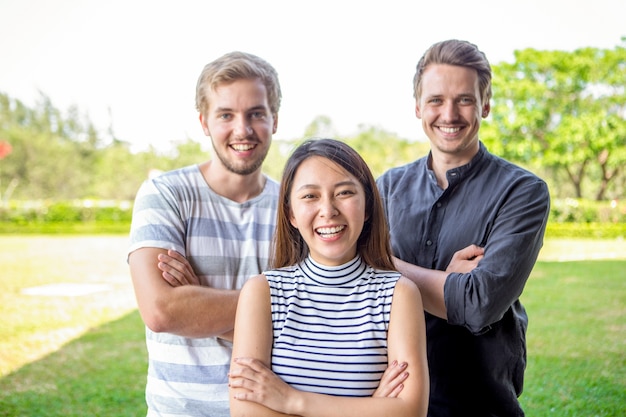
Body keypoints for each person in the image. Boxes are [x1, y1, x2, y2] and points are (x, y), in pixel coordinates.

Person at [376, 39, 551, 416]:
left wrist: (384, 265)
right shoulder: (385, 189)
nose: (449, 114)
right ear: (418, 107)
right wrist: (444, 281)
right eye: (436, 100)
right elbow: (347, 280)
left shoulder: (522, 192)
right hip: (391, 401)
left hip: (479, 403)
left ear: (485, 105)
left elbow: (478, 304)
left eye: (465, 100)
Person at [127, 51, 282, 417]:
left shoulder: (296, 207)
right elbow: (162, 311)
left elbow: (317, 317)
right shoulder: (165, 194)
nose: (242, 129)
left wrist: (199, 300)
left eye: (256, 114)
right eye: (226, 115)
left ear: (274, 120)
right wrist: (276, 302)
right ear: (204, 122)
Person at [227, 138, 429, 417]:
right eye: (310, 196)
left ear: (367, 207)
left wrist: (292, 401)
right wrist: (371, 409)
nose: (328, 210)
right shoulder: (262, 292)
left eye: (344, 193)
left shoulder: (399, 294)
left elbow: (410, 411)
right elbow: (246, 412)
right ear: (291, 215)